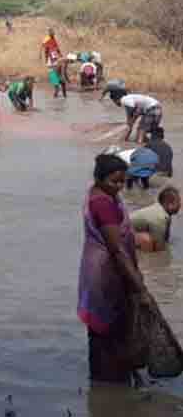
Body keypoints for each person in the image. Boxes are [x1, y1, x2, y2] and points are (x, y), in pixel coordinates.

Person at [78, 154, 155, 385]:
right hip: (107, 273)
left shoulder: (99, 194)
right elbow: (117, 250)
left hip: (98, 270)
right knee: (111, 329)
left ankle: (104, 381)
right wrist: (139, 287)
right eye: (115, 181)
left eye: (123, 181)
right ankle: (109, 386)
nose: (120, 187)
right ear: (99, 179)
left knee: (105, 333)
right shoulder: (103, 204)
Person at [131, 187, 180, 252]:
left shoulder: (165, 214)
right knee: (147, 240)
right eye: (178, 202)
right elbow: (159, 246)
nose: (180, 205)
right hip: (122, 233)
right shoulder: (160, 217)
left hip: (132, 230)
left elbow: (166, 237)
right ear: (169, 204)